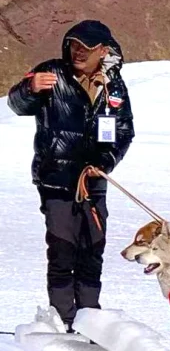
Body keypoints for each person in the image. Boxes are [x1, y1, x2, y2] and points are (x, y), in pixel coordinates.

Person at [7, 22, 135, 330]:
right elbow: (16, 104)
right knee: (63, 250)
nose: (77, 52)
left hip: (95, 181)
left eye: (86, 48)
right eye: (74, 45)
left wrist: (106, 160)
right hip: (57, 179)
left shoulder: (114, 85)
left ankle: (89, 320)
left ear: (103, 51)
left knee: (92, 251)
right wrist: (29, 88)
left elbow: (124, 130)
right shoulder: (51, 72)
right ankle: (63, 321)